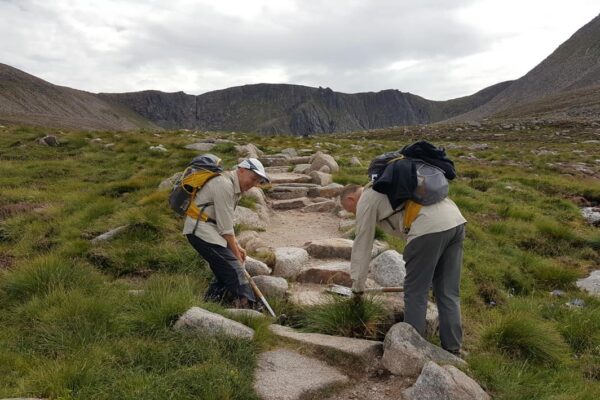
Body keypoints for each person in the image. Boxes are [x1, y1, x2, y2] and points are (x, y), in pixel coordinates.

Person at [340, 183, 467, 355]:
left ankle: (411, 353)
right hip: (455, 221)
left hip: (428, 227)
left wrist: (357, 286)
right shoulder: (383, 186)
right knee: (448, 292)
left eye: (350, 210)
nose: (353, 214)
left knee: (415, 292)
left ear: (350, 198)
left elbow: (363, 243)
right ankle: (453, 351)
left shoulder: (367, 199)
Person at [184, 157, 270, 308]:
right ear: (241, 170)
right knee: (235, 269)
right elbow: (225, 228)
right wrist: (236, 253)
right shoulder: (224, 185)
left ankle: (209, 304)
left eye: (258, 181)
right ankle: (251, 310)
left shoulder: (234, 187)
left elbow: (226, 223)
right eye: (253, 178)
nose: (254, 184)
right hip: (200, 231)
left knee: (224, 272)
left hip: (210, 231)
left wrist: (237, 246)